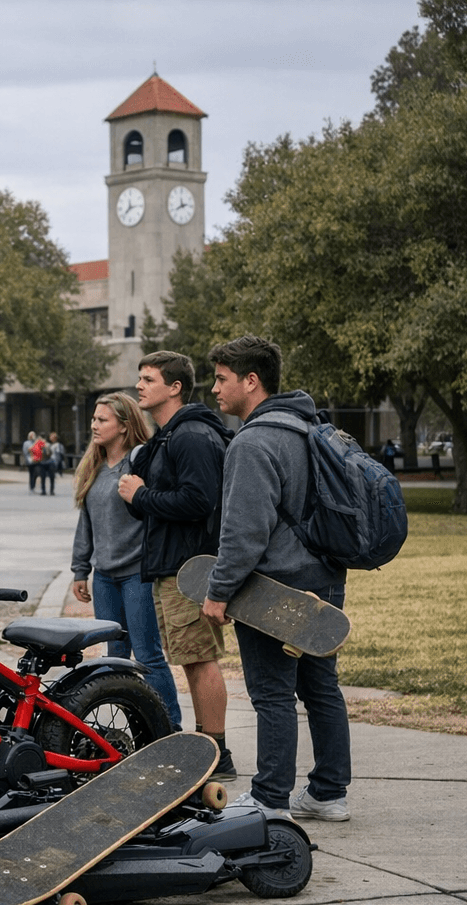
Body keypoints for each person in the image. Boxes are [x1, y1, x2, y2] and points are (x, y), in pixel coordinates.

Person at [202, 335, 352, 822]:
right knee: (320, 686)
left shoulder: (252, 441)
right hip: (324, 577)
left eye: (222, 378)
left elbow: (243, 532)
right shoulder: (312, 427)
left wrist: (219, 592)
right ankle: (329, 793)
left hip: (273, 589)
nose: (215, 388)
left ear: (252, 380)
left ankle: (270, 800)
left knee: (272, 693)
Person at [118, 350, 237, 780]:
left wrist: (142, 496)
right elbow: (147, 508)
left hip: (190, 569)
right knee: (188, 659)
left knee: (200, 659)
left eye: (149, 379)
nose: (140, 386)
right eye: (140, 378)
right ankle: (208, 748)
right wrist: (138, 494)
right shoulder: (165, 439)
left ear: (175, 387)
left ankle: (217, 754)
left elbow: (199, 500)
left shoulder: (191, 437)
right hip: (169, 566)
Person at [69, 393, 181, 727]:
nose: (94, 425)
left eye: (102, 420)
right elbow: (85, 523)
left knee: (147, 656)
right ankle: (137, 728)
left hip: (138, 575)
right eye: (93, 418)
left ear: (124, 425)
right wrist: (80, 569)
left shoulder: (139, 463)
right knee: (114, 660)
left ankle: (168, 727)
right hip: (104, 578)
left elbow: (156, 510)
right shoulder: (93, 467)